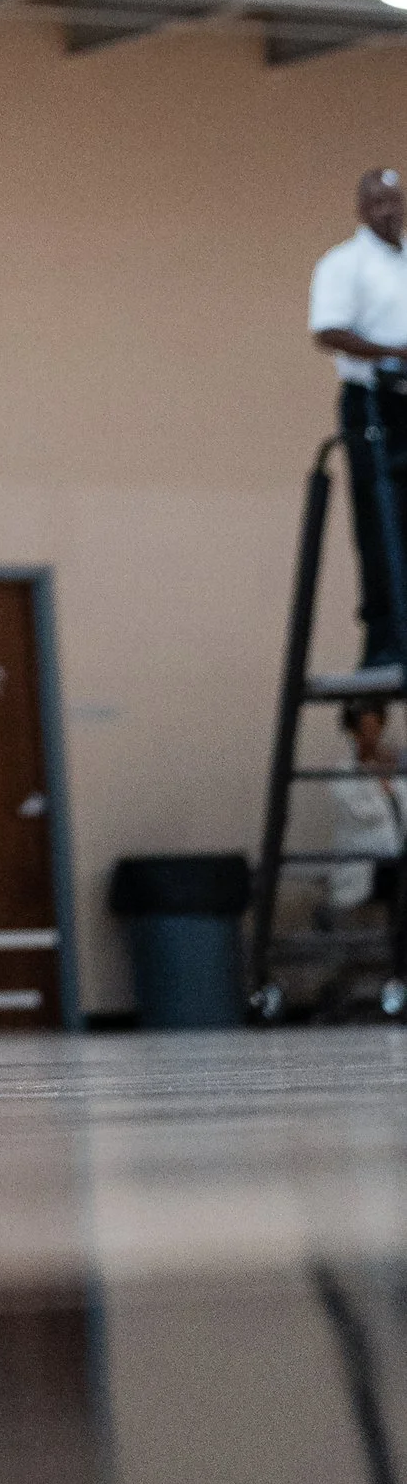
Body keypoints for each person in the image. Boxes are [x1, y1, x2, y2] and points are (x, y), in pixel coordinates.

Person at [308, 167, 407, 670]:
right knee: (381, 519)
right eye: (377, 203)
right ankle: (387, 639)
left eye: (395, 201)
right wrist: (394, 352)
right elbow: (327, 331)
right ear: (361, 209)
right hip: (373, 401)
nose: (388, 212)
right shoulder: (343, 264)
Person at [320, 696, 407, 947]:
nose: (371, 736)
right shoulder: (343, 774)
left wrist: (389, 778)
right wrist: (382, 784)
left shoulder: (393, 770)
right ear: (353, 732)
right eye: (364, 729)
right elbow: (364, 815)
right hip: (367, 863)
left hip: (394, 856)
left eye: (375, 728)